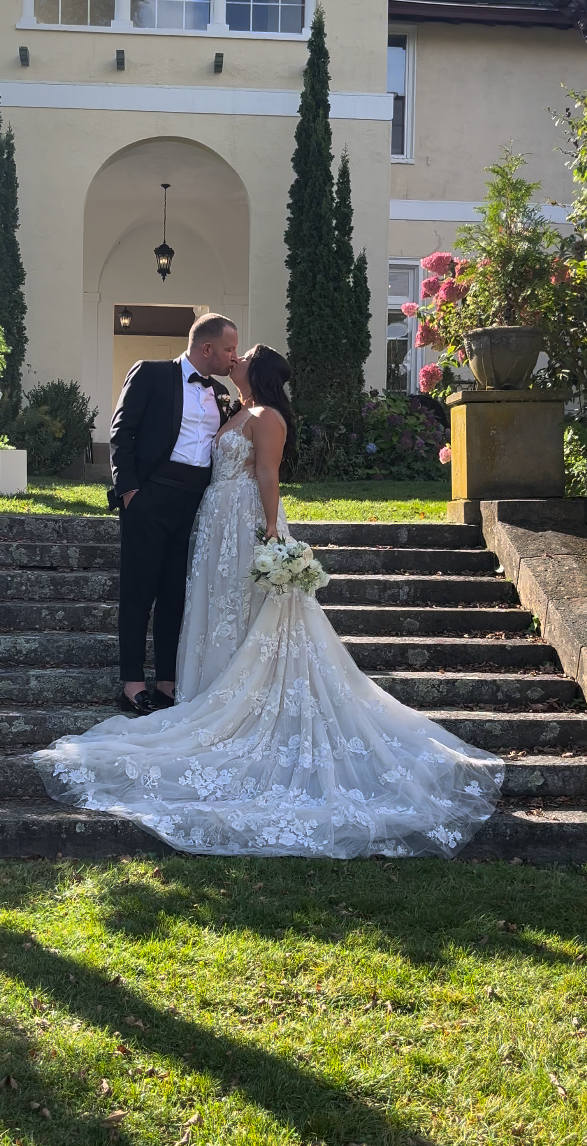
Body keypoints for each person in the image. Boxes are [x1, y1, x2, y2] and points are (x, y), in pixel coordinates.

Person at [33, 345, 503, 859]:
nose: (235, 357)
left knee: (245, 609)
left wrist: (273, 536)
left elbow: (268, 477)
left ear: (257, 371)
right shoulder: (233, 408)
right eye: (231, 350)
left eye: (244, 354)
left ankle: (241, 697)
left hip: (245, 525)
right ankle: (208, 687)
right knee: (217, 608)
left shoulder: (267, 416)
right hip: (214, 524)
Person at [108, 313, 239, 716]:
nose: (234, 357)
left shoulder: (220, 392)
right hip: (150, 497)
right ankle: (132, 684)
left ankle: (167, 681)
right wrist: (130, 492)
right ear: (207, 349)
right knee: (138, 591)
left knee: (176, 595)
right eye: (229, 349)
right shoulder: (151, 373)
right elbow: (122, 431)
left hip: (195, 503)